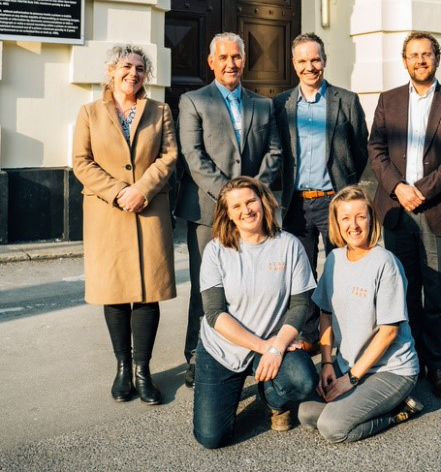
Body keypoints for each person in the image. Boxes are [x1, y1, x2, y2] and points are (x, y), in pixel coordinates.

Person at [368, 31, 441, 399]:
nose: (420, 60)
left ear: (437, 59)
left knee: (437, 295)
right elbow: (376, 148)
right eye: (413, 55)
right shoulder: (389, 100)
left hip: (438, 209)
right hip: (397, 210)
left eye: (426, 54)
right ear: (405, 61)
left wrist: (422, 190)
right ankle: (408, 363)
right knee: (405, 291)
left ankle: (438, 365)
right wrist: (398, 187)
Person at [73, 44, 178, 405]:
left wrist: (142, 190)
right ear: (111, 71)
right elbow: (81, 161)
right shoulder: (89, 112)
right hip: (107, 213)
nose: (133, 73)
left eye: (140, 68)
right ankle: (123, 369)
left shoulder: (160, 110)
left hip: (149, 210)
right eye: (126, 67)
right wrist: (119, 192)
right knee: (114, 292)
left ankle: (143, 371)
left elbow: (169, 155)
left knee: (148, 292)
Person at [175, 32, 282, 387]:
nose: (230, 63)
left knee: (253, 284)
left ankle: (249, 349)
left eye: (236, 57)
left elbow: (274, 152)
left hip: (254, 213)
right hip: (209, 211)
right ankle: (197, 354)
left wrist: (252, 197)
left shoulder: (263, 105)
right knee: (206, 287)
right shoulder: (193, 101)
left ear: (244, 59)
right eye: (223, 57)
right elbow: (193, 155)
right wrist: (232, 198)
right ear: (211, 62)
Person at [193, 176, 318, 449]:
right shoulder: (215, 251)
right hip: (224, 347)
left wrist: (278, 347)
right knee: (211, 438)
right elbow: (214, 314)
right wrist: (265, 348)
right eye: (236, 206)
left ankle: (272, 397)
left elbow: (299, 305)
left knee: (304, 380)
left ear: (263, 202)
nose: (246, 210)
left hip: (272, 341)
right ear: (227, 214)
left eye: (251, 201)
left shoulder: (289, 245)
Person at [298, 186, 422, 443]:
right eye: (345, 218)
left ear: (371, 219)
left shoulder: (385, 263)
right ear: (336, 222)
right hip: (349, 364)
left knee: (332, 428)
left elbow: (389, 332)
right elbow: (325, 314)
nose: (353, 225)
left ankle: (397, 411)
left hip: (391, 369)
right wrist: (327, 363)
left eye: (360, 217)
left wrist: (351, 379)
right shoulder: (334, 259)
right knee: (305, 414)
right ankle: (358, 403)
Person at [274, 32, 369, 354]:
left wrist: (348, 188)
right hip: (296, 204)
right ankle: (311, 334)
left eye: (315, 59)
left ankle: (346, 333)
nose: (310, 66)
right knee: (301, 273)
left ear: (324, 61)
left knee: (343, 268)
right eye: (302, 61)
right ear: (294, 64)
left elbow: (360, 150)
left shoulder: (347, 100)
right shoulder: (281, 104)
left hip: (334, 201)